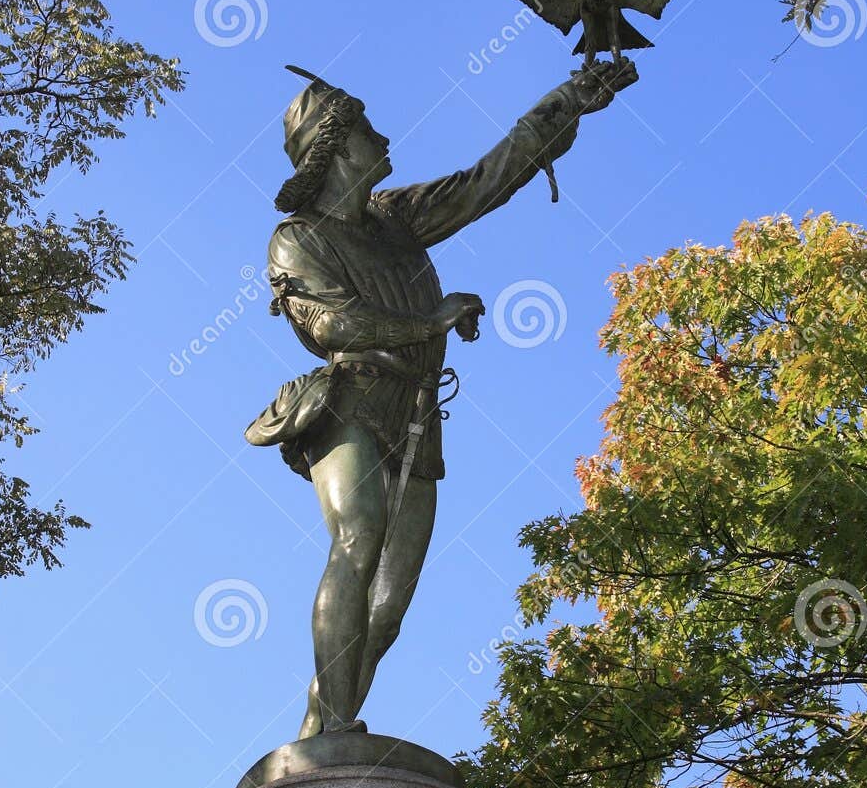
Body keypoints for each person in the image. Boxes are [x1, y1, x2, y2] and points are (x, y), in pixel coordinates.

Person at [246, 58, 637, 737]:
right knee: (356, 537)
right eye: (367, 133)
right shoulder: (296, 240)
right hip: (349, 402)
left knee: (390, 607)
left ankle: (320, 732)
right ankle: (335, 729)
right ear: (335, 152)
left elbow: (482, 183)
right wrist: (429, 321)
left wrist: (566, 102)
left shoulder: (394, 219)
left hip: (420, 416)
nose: (384, 142)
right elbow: (333, 324)